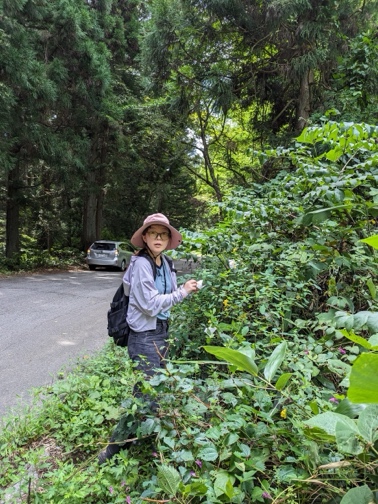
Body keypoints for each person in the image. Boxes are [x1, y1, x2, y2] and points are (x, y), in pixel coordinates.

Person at [98, 213, 198, 463]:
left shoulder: (166, 262)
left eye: (163, 234)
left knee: (153, 391)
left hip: (161, 332)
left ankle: (143, 440)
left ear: (168, 239)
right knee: (145, 395)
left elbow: (170, 294)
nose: (158, 238)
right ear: (144, 237)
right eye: (153, 233)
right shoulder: (141, 264)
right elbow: (151, 305)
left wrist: (185, 288)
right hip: (143, 336)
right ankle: (112, 451)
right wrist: (182, 293)